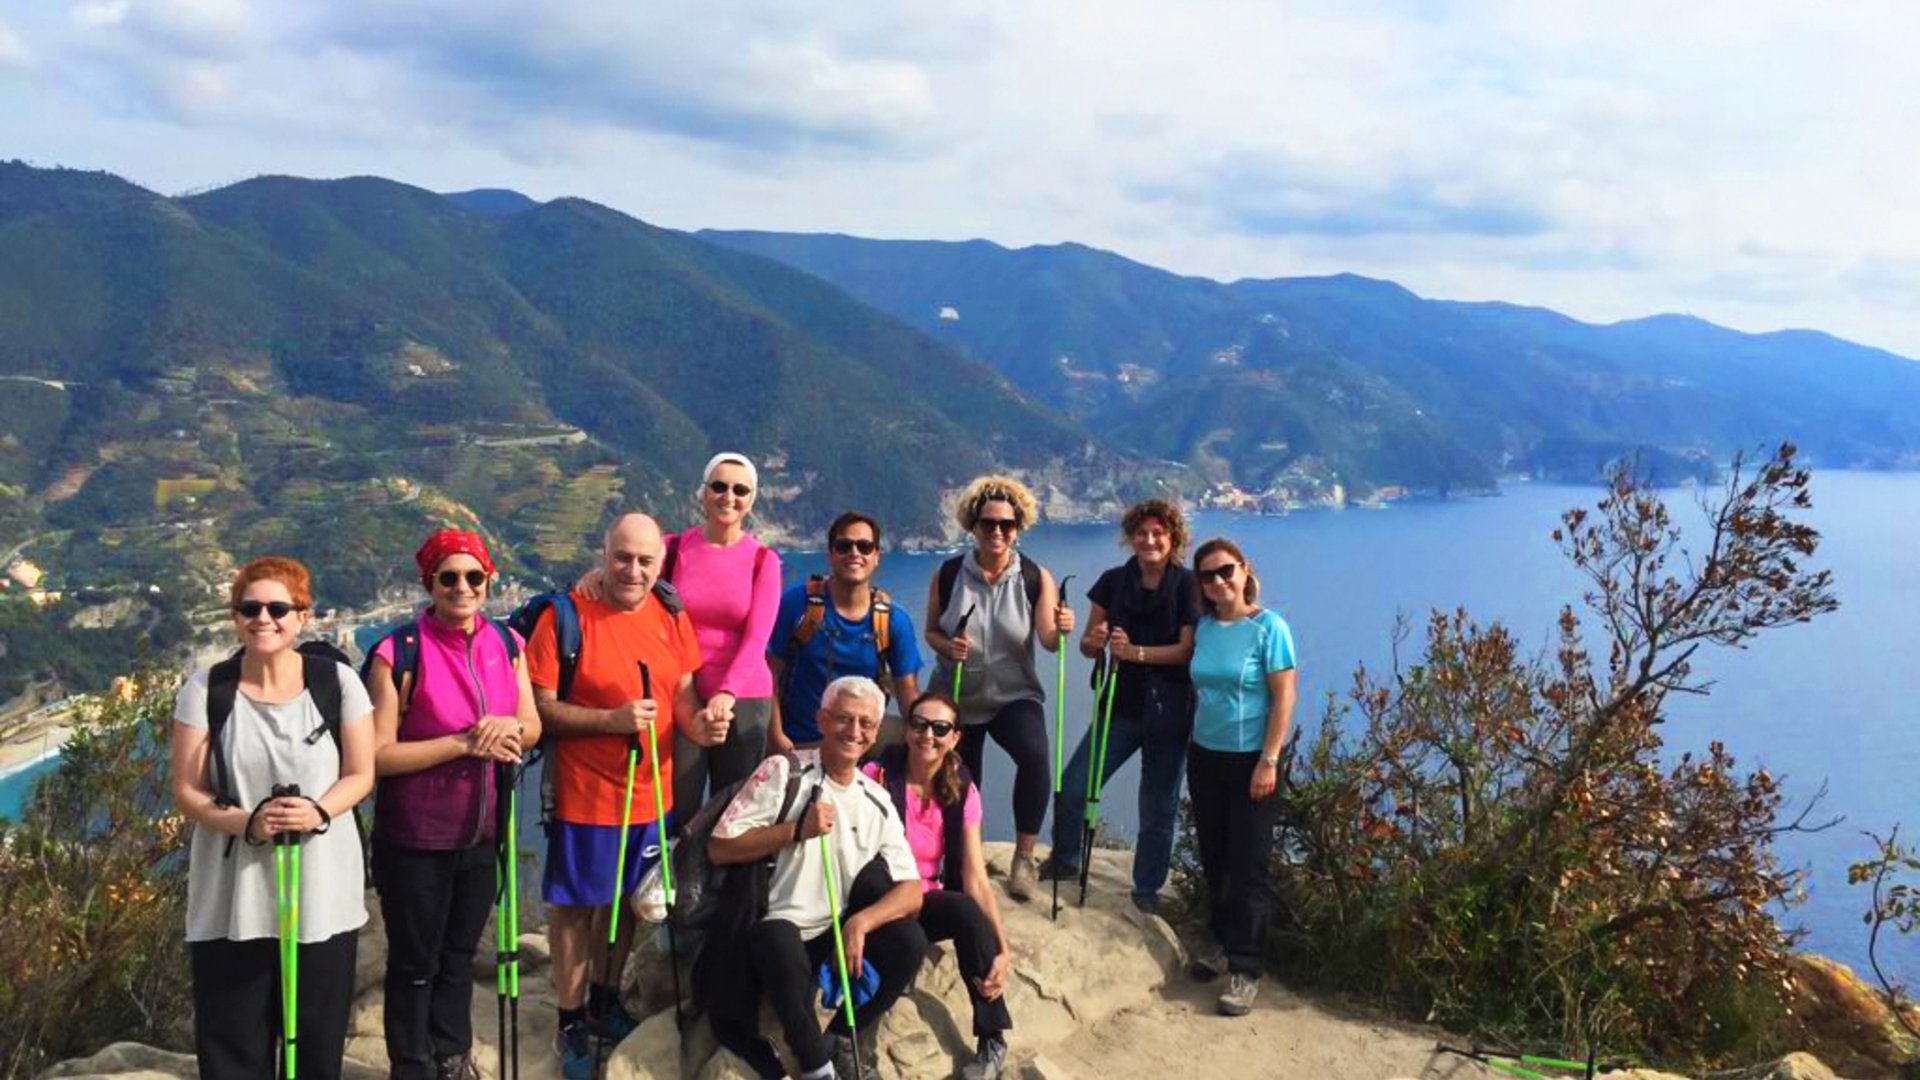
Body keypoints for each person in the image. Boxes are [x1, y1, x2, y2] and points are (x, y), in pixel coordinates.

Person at [525, 512, 729, 1079]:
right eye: (622, 557)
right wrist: (610, 720)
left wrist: (701, 729)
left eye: (644, 561)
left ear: (660, 563)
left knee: (624, 907)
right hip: (585, 798)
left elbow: (682, 696)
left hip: (651, 797)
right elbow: (538, 709)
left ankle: (604, 1001)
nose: (632, 570)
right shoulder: (566, 616)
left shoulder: (670, 613)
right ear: (604, 552)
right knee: (574, 909)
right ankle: (570, 1022)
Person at [168, 556, 376, 1080]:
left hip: (322, 889)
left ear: (303, 617)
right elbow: (188, 790)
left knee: (317, 1041)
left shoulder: (339, 684)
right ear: (235, 616)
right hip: (232, 892)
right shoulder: (205, 690)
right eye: (250, 608)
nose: (264, 618)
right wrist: (247, 823)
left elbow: (361, 773)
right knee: (233, 1042)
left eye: (279, 608)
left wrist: (317, 809)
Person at [364, 529, 543, 1080]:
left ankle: (453, 1054)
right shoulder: (397, 653)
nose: (462, 587)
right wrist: (464, 743)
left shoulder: (508, 645)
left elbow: (532, 724)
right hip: (414, 839)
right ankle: (411, 1066)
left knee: (459, 957)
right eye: (449, 577)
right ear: (430, 584)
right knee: (416, 962)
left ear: (489, 582)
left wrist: (510, 728)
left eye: (474, 577)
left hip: (485, 831)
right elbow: (376, 755)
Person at [709, 677, 928, 1080]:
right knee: (778, 936)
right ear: (822, 719)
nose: (854, 731)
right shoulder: (784, 770)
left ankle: (845, 1035)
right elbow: (720, 846)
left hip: (831, 936)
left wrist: (862, 922)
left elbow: (912, 890)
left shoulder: (876, 799)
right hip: (769, 932)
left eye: (866, 723)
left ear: (877, 732)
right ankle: (816, 1064)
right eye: (843, 718)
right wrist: (794, 831)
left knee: (910, 941)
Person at [1041, 500, 1200, 913]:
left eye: (1158, 533)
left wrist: (1135, 653)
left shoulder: (1186, 586)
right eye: (1141, 533)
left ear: (1173, 538)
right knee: (1074, 784)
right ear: (1130, 538)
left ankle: (1146, 890)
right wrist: (1093, 643)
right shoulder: (1114, 582)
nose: (1149, 540)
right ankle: (1066, 860)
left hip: (1170, 711)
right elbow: (1088, 645)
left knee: (1157, 808)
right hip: (1120, 707)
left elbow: (1186, 651)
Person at [925, 474, 1074, 902]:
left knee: (1035, 756)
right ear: (973, 526)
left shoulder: (1033, 577)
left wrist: (1064, 628)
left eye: (1006, 525)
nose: (996, 532)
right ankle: (964, 855)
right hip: (958, 696)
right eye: (987, 523)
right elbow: (931, 631)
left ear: (1018, 527)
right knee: (962, 777)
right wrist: (947, 646)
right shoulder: (950, 573)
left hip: (1014, 694)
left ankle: (1023, 858)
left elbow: (1047, 638)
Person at [864, 693, 1014, 1080]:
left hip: (927, 898)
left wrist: (1002, 948)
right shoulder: (876, 777)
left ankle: (992, 1037)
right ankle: (859, 1044)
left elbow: (975, 877)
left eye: (940, 727)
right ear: (907, 730)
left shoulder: (963, 791)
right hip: (884, 898)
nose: (927, 735)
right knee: (907, 938)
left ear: (955, 738)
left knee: (965, 909)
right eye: (919, 724)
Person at [1184, 538, 1297, 1017]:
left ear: (1243, 570)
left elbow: (1284, 697)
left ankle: (1246, 970)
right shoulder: (1205, 628)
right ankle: (1221, 943)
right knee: (1216, 857)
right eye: (1207, 576)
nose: (1217, 582)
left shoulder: (1269, 627)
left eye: (1224, 571)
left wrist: (1269, 759)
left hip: (1252, 760)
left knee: (1249, 865)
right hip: (1205, 757)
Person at [662, 452, 784, 818]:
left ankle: (727, 878)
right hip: (681, 691)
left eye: (740, 490)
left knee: (732, 812)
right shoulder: (671, 548)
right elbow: (626, 570)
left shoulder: (763, 560)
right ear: (703, 492)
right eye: (719, 486)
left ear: (751, 500)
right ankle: (678, 875)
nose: (728, 497)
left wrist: (727, 693)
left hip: (743, 697)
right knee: (677, 804)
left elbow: (757, 637)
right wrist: (595, 579)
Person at [768, 510, 923, 752]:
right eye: (844, 546)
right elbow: (769, 675)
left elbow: (908, 692)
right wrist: (776, 735)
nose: (855, 553)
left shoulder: (893, 620)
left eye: (864, 547)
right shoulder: (796, 604)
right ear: (831, 554)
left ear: (876, 557)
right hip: (800, 740)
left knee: (902, 736)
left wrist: (929, 739)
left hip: (861, 741)